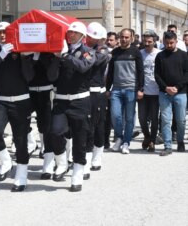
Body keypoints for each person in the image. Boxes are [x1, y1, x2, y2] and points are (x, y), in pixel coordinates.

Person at [0, 21, 34, 192]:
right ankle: (6, 161)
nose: (3, 35)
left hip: (21, 100)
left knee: (20, 140)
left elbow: (29, 76)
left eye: (6, 31)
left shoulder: (20, 51)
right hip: (2, 101)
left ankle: (21, 176)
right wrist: (1, 55)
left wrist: (25, 56)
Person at [48, 21, 96, 192]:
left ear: (82, 35)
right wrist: (56, 59)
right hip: (61, 100)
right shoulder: (60, 51)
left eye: (74, 33)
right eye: (69, 32)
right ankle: (61, 163)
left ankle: (77, 172)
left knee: (80, 139)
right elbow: (51, 77)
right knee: (55, 131)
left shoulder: (88, 52)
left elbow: (83, 67)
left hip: (80, 101)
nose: (70, 35)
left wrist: (66, 56)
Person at [106, 28, 144, 154]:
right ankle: (119, 138)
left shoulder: (136, 52)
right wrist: (107, 88)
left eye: (127, 37)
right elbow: (110, 72)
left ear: (131, 38)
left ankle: (126, 142)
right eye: (122, 37)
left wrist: (140, 89)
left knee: (129, 118)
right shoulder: (115, 53)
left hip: (131, 90)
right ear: (119, 38)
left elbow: (140, 72)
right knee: (115, 116)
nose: (124, 39)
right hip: (116, 89)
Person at [155, 31, 188, 156]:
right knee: (166, 120)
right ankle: (167, 145)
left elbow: (186, 74)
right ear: (163, 41)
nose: (169, 45)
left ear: (176, 41)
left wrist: (177, 87)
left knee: (181, 120)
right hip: (164, 93)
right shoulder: (160, 56)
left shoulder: (184, 55)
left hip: (181, 93)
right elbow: (156, 75)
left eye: (171, 43)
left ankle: (180, 141)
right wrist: (166, 88)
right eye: (167, 43)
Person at [85, 23, 110, 175]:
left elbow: (94, 60)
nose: (89, 39)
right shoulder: (86, 49)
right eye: (88, 36)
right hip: (84, 92)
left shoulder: (103, 51)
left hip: (98, 93)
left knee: (98, 125)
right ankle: (86, 154)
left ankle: (97, 155)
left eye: (92, 38)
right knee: (85, 126)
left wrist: (85, 54)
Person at [138, 31, 161, 152]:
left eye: (150, 42)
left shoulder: (159, 54)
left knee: (154, 118)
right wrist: (138, 88)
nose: (147, 44)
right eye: (145, 41)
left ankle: (152, 140)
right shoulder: (139, 54)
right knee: (142, 118)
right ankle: (146, 136)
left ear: (155, 41)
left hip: (156, 92)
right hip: (143, 91)